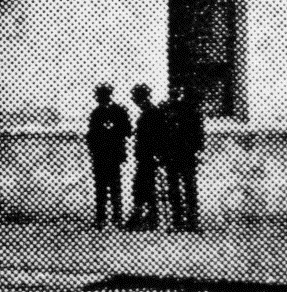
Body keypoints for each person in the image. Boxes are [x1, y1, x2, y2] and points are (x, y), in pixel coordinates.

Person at [85, 84, 132, 230]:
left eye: (101, 95)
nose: (99, 98)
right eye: (99, 95)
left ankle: (117, 218)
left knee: (115, 187)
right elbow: (91, 134)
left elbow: (128, 130)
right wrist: (94, 148)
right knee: (101, 188)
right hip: (100, 155)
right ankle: (101, 218)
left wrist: (113, 132)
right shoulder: (96, 112)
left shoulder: (119, 111)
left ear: (107, 95)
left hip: (113, 154)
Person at [162, 88, 204, 233]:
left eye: (177, 95)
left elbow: (198, 132)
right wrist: (162, 153)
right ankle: (177, 221)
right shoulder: (165, 110)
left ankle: (192, 221)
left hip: (187, 154)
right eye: (172, 95)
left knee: (189, 188)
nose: (175, 98)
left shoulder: (191, 111)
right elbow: (161, 134)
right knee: (174, 189)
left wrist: (198, 150)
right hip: (171, 156)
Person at [127, 85, 165, 231]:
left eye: (136, 98)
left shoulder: (152, 113)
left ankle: (149, 218)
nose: (134, 101)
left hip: (150, 156)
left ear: (142, 97)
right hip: (144, 156)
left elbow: (159, 135)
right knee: (141, 186)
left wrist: (158, 154)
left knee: (145, 187)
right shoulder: (147, 112)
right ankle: (146, 217)